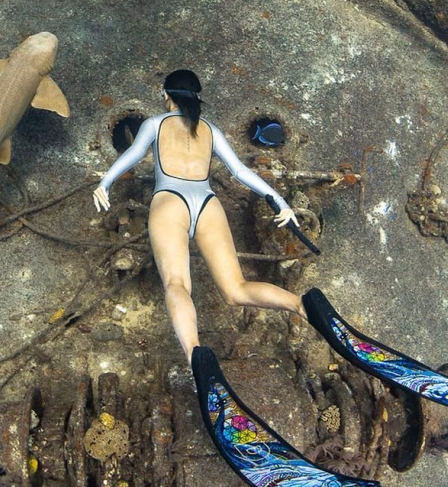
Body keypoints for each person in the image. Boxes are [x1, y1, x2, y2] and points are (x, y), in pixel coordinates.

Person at [93, 69, 306, 362]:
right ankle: (300, 304)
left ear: (165, 95)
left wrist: (105, 182)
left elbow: (133, 154)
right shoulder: (210, 129)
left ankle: (196, 354)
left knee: (177, 284)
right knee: (236, 290)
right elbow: (240, 172)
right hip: (207, 203)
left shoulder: (155, 124)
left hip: (171, 201)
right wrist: (280, 201)